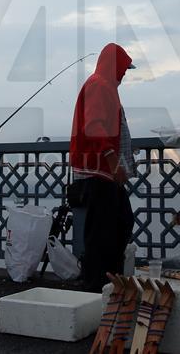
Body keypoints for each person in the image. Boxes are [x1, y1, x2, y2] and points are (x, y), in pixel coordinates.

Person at [68, 42, 137, 291]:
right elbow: (95, 126)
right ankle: (97, 288)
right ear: (114, 64)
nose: (125, 73)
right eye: (124, 67)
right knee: (103, 234)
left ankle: (109, 283)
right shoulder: (99, 85)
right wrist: (112, 160)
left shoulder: (105, 86)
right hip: (99, 171)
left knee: (119, 224)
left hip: (105, 172)